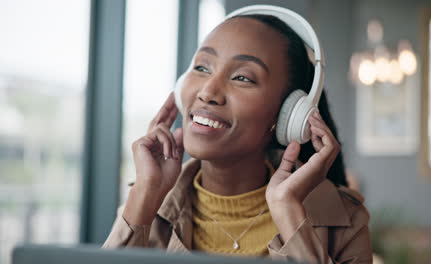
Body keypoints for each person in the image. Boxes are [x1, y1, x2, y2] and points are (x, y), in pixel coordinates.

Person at [103, 10, 373, 264]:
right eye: (202, 68)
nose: (208, 92)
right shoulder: (147, 201)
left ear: (289, 115)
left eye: (242, 77)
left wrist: (289, 213)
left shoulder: (346, 219)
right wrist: (145, 194)